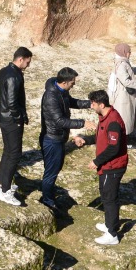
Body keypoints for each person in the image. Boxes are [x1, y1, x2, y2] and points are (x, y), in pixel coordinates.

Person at [37, 67, 89, 210]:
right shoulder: (51, 97)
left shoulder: (62, 91)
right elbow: (60, 121)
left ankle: (48, 194)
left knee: (54, 169)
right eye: (73, 82)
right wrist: (83, 123)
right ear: (65, 82)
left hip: (58, 138)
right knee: (51, 171)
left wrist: (90, 103)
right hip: (52, 139)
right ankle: (47, 200)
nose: (74, 84)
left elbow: (72, 102)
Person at [0, 47, 33, 205]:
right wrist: (18, 118)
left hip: (2, 117)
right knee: (14, 154)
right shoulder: (13, 76)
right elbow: (11, 103)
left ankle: (2, 184)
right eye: (28, 62)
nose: (28, 65)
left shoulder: (4, 71)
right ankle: (5, 191)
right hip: (11, 121)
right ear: (21, 59)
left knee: (8, 151)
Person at [88, 89, 129, 245]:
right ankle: (109, 224)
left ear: (101, 104)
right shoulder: (104, 117)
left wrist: (97, 161)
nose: (91, 106)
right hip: (107, 166)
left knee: (109, 198)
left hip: (112, 167)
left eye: (93, 103)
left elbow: (114, 148)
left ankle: (112, 234)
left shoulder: (113, 121)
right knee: (106, 195)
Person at [107, 44, 136, 142]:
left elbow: (130, 71)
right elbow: (125, 80)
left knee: (126, 118)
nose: (130, 53)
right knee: (124, 119)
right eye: (129, 51)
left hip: (125, 96)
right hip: (123, 97)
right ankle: (123, 143)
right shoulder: (121, 64)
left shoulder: (123, 62)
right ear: (124, 52)